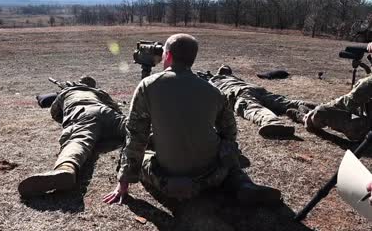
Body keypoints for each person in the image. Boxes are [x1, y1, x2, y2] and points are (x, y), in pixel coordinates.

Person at [103, 33, 281, 206]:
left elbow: (136, 136)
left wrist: (124, 181)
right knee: (226, 149)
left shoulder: (148, 86)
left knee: (142, 156)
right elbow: (230, 133)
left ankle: (174, 185)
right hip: (212, 174)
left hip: (168, 177)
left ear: (169, 55)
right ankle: (242, 183)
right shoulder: (213, 91)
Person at [18, 76, 126, 197]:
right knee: (135, 129)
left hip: (83, 113)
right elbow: (115, 107)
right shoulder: (98, 92)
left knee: (79, 141)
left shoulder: (66, 92)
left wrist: (68, 120)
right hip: (105, 111)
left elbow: (55, 113)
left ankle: (66, 168)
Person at [210, 65, 316, 138]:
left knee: (254, 109)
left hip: (240, 93)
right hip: (256, 89)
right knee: (285, 102)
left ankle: (273, 122)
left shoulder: (214, 80)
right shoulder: (235, 78)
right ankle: (316, 107)